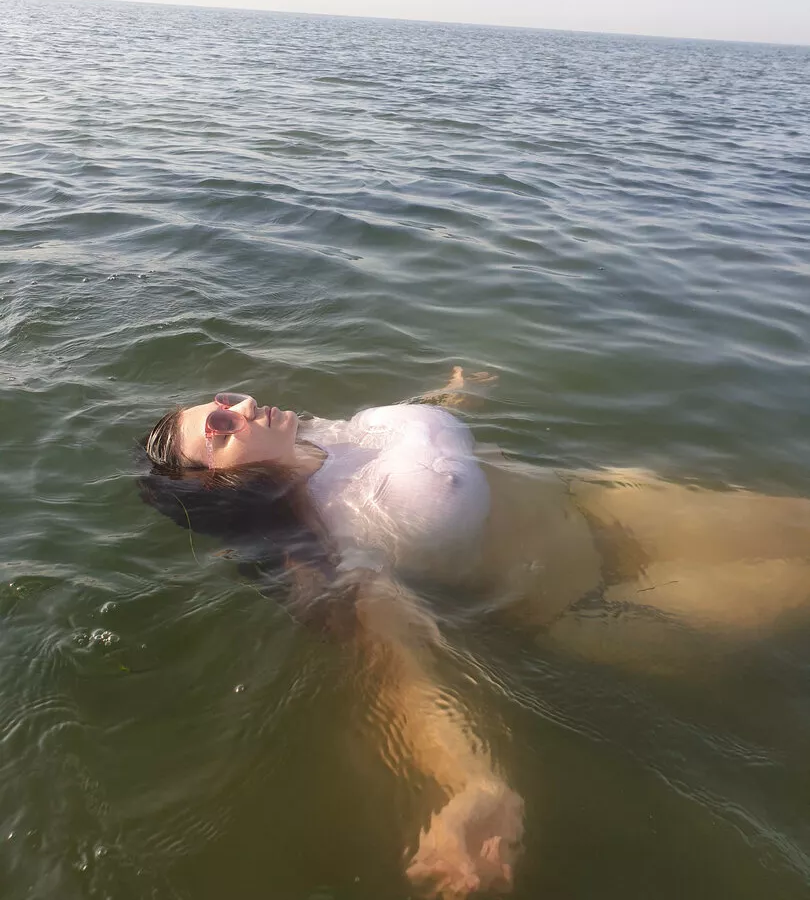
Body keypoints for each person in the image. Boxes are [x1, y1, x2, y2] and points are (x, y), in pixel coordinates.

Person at [139, 368, 810, 898]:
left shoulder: (313, 435)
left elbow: (406, 436)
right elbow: (396, 666)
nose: (240, 407)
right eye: (219, 428)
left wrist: (451, 396)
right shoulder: (331, 543)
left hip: (599, 505)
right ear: (219, 484)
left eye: (223, 400)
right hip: (594, 604)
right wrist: (472, 781)